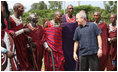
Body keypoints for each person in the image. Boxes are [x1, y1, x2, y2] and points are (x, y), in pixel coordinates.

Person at [9, 3, 32, 70]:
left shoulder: (20, 19)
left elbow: (21, 31)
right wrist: (23, 30)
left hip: (22, 43)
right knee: (17, 62)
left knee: (25, 62)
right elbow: (10, 33)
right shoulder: (10, 19)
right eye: (22, 8)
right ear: (16, 9)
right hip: (15, 44)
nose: (23, 10)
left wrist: (27, 37)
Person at [62, 4, 78, 71]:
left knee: (74, 57)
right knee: (66, 57)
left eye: (72, 8)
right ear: (67, 9)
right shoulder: (63, 18)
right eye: (69, 8)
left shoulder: (76, 18)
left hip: (75, 42)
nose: (71, 10)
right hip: (65, 42)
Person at [1, 1, 15, 71]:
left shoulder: (5, 19)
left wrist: (10, 32)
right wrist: (5, 51)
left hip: (6, 42)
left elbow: (8, 29)